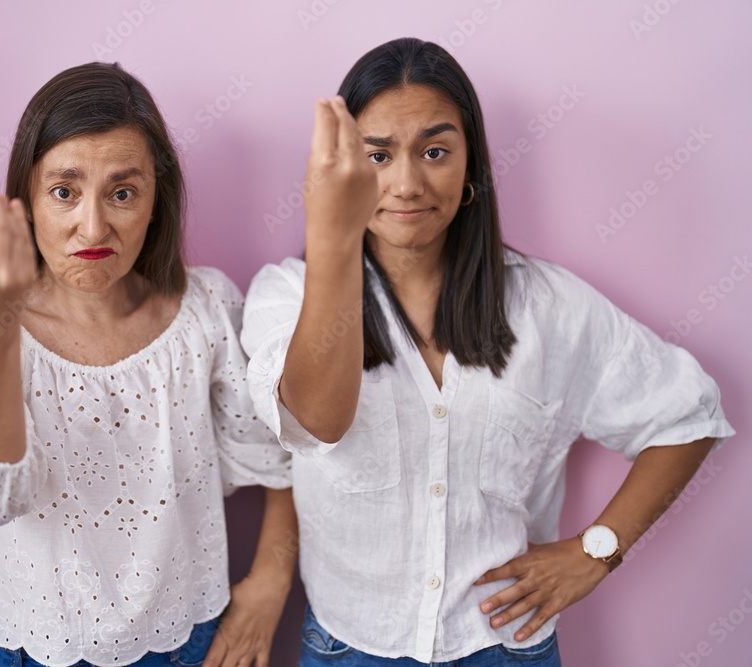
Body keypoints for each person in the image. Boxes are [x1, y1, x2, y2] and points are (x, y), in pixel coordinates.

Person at [240, 37, 734, 666]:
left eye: (435, 151)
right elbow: (316, 421)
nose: (406, 184)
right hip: (348, 645)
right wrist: (332, 235)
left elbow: (688, 415)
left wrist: (598, 551)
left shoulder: (548, 306)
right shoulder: (284, 295)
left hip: (505, 647)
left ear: (470, 163)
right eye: (378, 156)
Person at [0, 63, 295, 667]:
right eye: (64, 191)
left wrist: (270, 586)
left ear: (156, 200)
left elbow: (285, 454)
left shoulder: (207, 311)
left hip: (182, 640)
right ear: (27, 200)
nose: (92, 227)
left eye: (122, 193)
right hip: (20, 646)